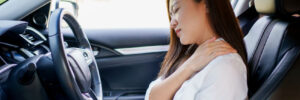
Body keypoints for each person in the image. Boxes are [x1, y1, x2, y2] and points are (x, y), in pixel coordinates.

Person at [144, 0, 248, 100]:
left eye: (176, 10)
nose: (172, 23)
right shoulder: (192, 56)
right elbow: (152, 96)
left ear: (206, 4)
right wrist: (189, 66)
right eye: (171, 15)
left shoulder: (225, 68)